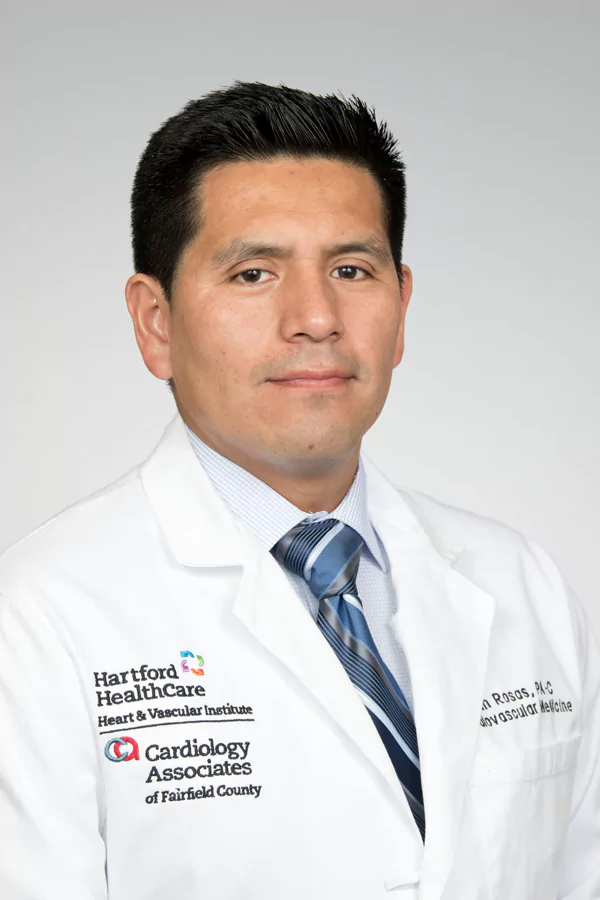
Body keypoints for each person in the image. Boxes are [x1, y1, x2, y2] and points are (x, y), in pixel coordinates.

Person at [0, 80, 598, 900]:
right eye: (253, 273)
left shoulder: (523, 583)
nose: (316, 317)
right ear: (156, 323)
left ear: (401, 306)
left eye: (352, 269)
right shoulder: (38, 617)